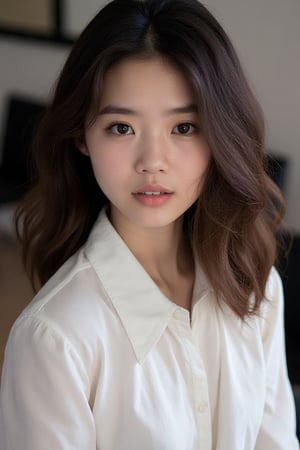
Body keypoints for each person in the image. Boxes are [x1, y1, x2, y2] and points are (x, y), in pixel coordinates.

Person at [0, 0, 298, 448]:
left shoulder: (256, 287)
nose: (152, 162)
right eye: (121, 127)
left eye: (184, 127)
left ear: (220, 132)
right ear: (82, 136)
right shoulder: (56, 337)